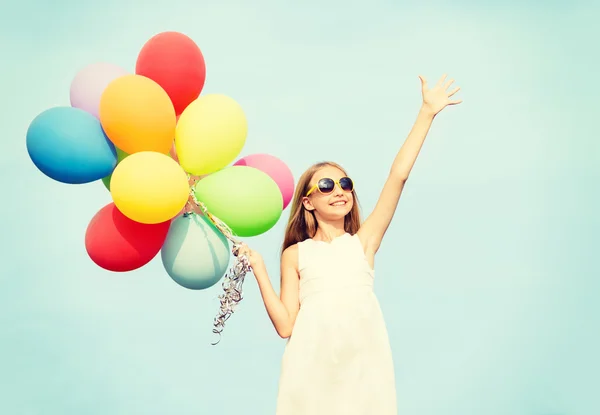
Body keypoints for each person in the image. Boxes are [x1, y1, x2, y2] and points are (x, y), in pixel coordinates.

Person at [238, 74, 461, 414]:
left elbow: (397, 176)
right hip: (310, 368)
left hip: (363, 367)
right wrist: (258, 268)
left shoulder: (364, 242)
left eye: (344, 183)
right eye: (326, 185)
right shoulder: (295, 255)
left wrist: (426, 113)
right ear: (308, 202)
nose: (339, 190)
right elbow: (286, 325)